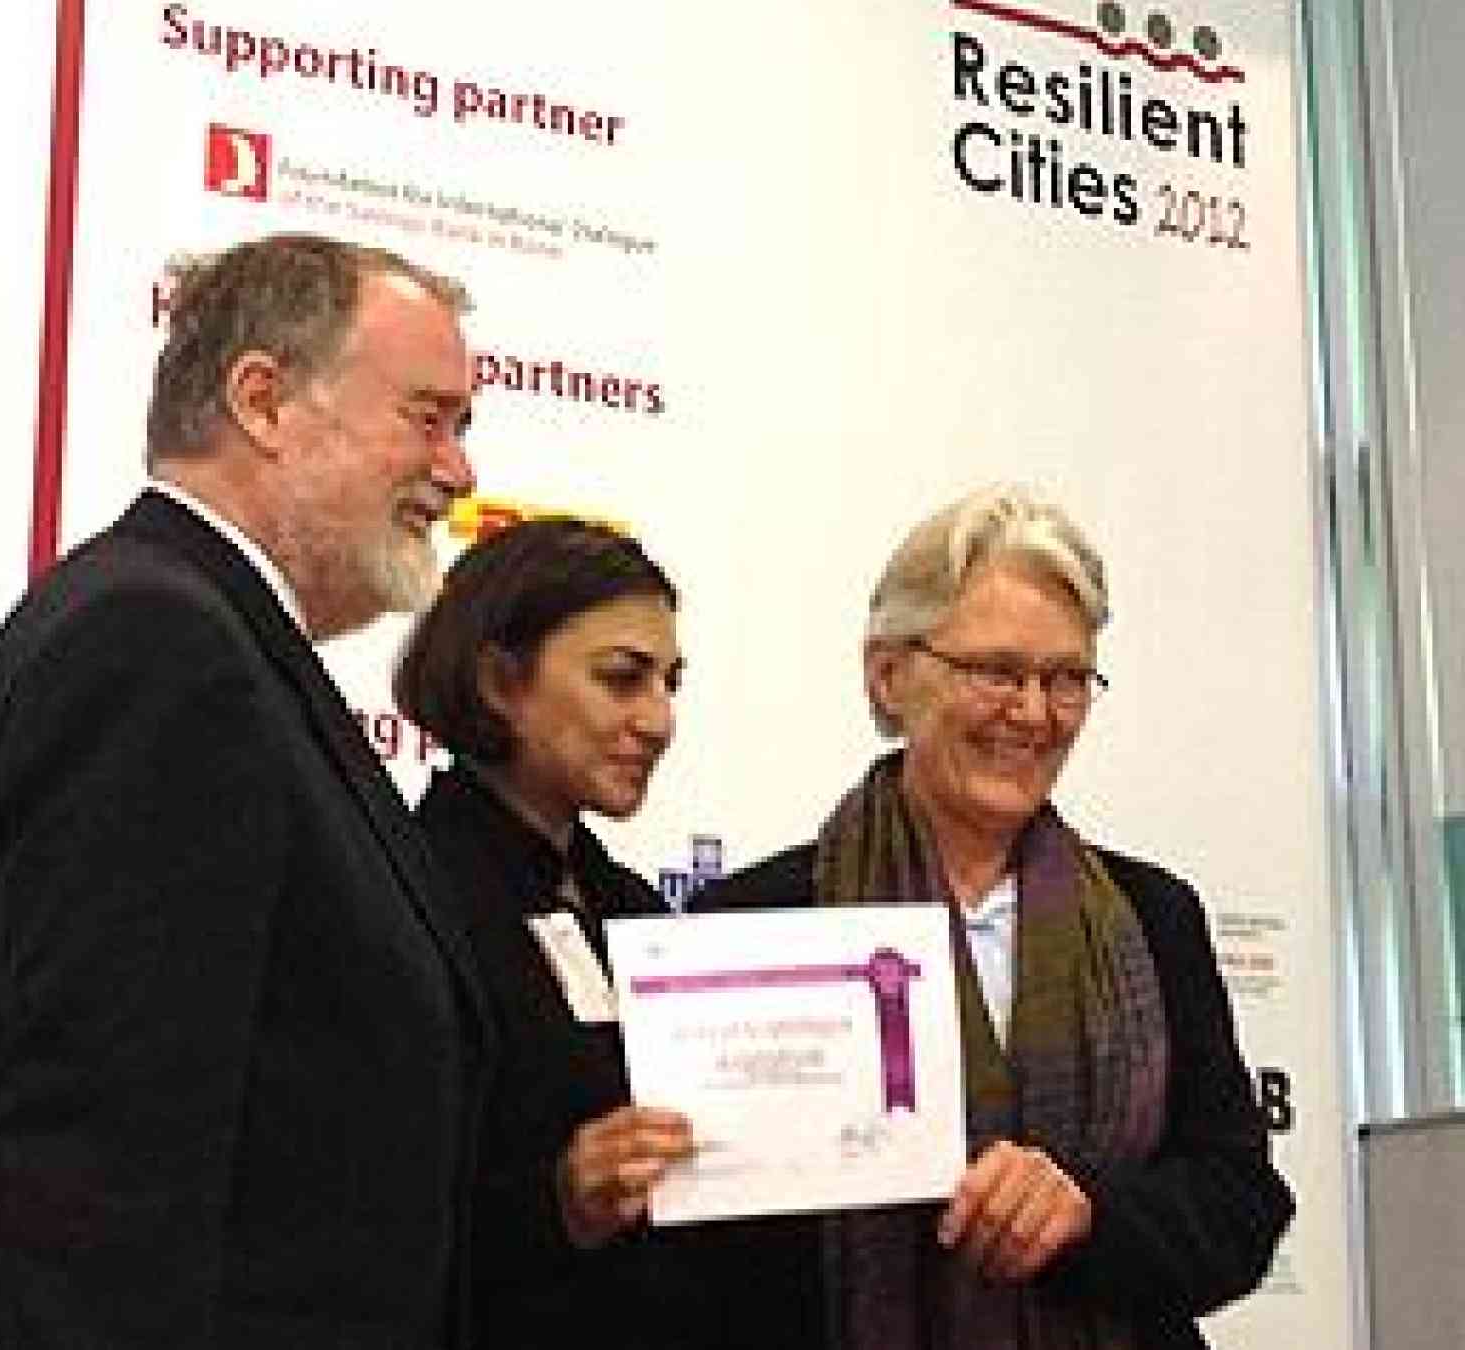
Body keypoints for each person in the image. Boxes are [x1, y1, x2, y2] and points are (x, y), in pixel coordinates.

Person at [0, 233, 491, 1349]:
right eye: (426, 417)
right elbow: (96, 1172)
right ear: (263, 399)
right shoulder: (161, 647)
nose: (459, 473)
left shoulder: (201, 637)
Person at [694, 485, 1292, 1350]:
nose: (1035, 713)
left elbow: (1240, 1205)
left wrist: (1090, 1212)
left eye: (1067, 680)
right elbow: (710, 1266)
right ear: (889, 675)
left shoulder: (1153, 916)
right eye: (998, 672)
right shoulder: (754, 923)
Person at [395, 519, 816, 1349]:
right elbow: (360, 1210)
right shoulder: (408, 900)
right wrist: (556, 1202)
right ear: (499, 682)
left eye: (671, 683)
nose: (658, 720)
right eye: (623, 680)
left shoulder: (632, 911)